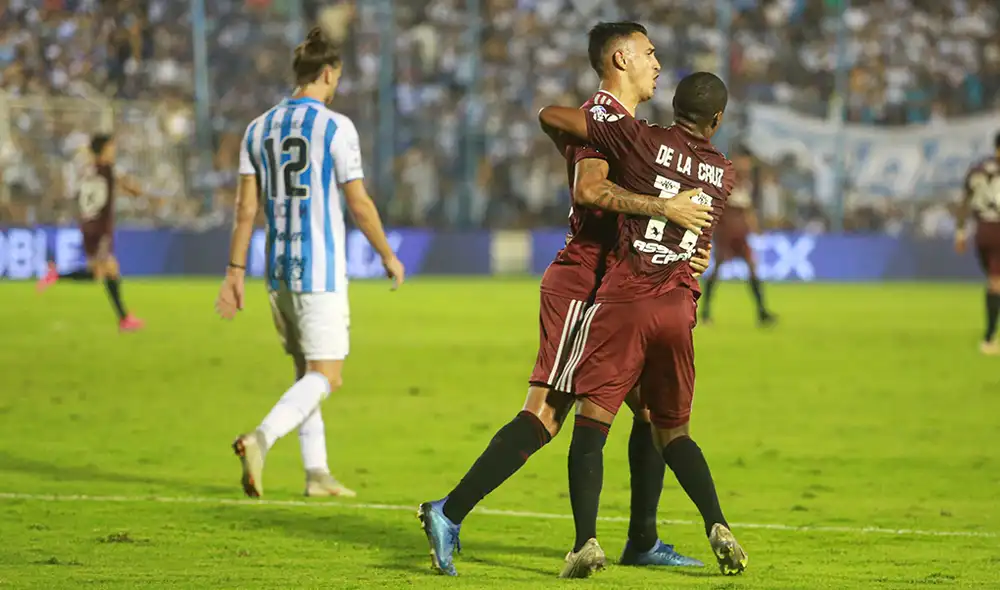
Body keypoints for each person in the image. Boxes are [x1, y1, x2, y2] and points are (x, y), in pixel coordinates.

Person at [418, 22, 713, 577]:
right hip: (586, 285)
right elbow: (588, 189)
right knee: (547, 414)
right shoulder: (599, 129)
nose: (657, 62)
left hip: (629, 291)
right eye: (649, 52)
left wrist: (682, 251)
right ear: (621, 58)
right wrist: (664, 209)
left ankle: (643, 540)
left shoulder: (635, 133)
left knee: (651, 414)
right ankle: (448, 511)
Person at [537, 71, 748, 577]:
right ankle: (716, 522)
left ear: (673, 106)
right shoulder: (725, 171)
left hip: (627, 299)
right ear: (717, 121)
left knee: (591, 425)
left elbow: (558, 119)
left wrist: (601, 124)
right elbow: (700, 241)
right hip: (679, 306)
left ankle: (585, 541)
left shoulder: (642, 139)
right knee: (671, 430)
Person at [216, 27, 404, 498]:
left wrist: (233, 272)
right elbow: (358, 203)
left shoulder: (257, 128)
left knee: (305, 373)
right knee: (327, 375)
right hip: (319, 270)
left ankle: (316, 472)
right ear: (326, 73)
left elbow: (244, 210)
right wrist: (386, 253)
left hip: (275, 270)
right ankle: (260, 438)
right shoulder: (336, 127)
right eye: (336, 77)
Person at [36, 134, 145, 332]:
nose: (114, 151)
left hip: (87, 226)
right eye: (111, 147)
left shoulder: (88, 170)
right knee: (109, 269)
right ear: (104, 149)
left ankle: (56, 275)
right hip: (101, 228)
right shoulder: (109, 170)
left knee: (98, 272)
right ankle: (124, 319)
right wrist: (137, 190)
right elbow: (133, 189)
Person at [700, 153, 776, 325]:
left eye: (748, 166)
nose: (746, 168)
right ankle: (705, 312)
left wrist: (755, 227)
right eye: (744, 165)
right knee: (717, 269)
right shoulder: (724, 182)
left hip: (741, 234)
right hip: (725, 234)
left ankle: (762, 311)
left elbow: (747, 210)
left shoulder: (746, 185)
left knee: (752, 268)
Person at [955, 131, 1000, 355]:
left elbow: (964, 202)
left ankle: (990, 336)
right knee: (996, 282)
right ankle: (989, 338)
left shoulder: (976, 170)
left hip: (981, 231)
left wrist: (961, 232)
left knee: (994, 281)